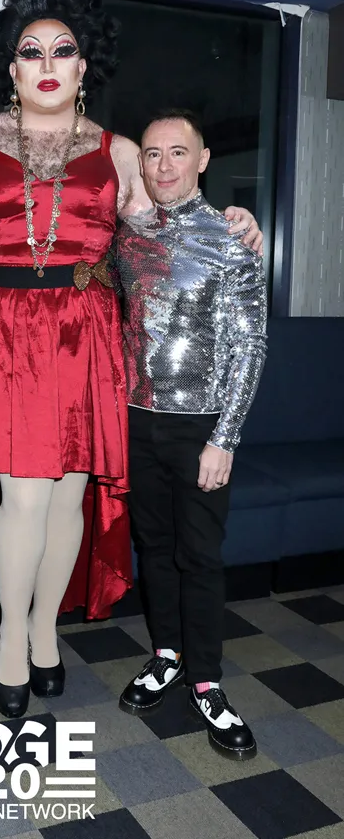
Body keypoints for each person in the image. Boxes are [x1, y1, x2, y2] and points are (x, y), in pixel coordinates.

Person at [0, 0, 261, 719]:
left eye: (62, 50)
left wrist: (235, 221)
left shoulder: (121, 152)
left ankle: (47, 629)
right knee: (23, 496)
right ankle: (13, 638)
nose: (47, 64)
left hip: (89, 333)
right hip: (7, 331)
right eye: (30, 51)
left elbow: (173, 223)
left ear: (82, 67)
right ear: (12, 68)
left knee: (69, 495)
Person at [116, 110, 267, 760]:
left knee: (199, 557)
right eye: (153, 153)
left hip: (200, 427)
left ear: (202, 160)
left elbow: (250, 347)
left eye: (178, 152)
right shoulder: (125, 236)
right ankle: (168, 655)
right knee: (153, 547)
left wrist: (225, 438)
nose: (165, 165)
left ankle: (206, 681)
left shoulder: (233, 238)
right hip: (132, 420)